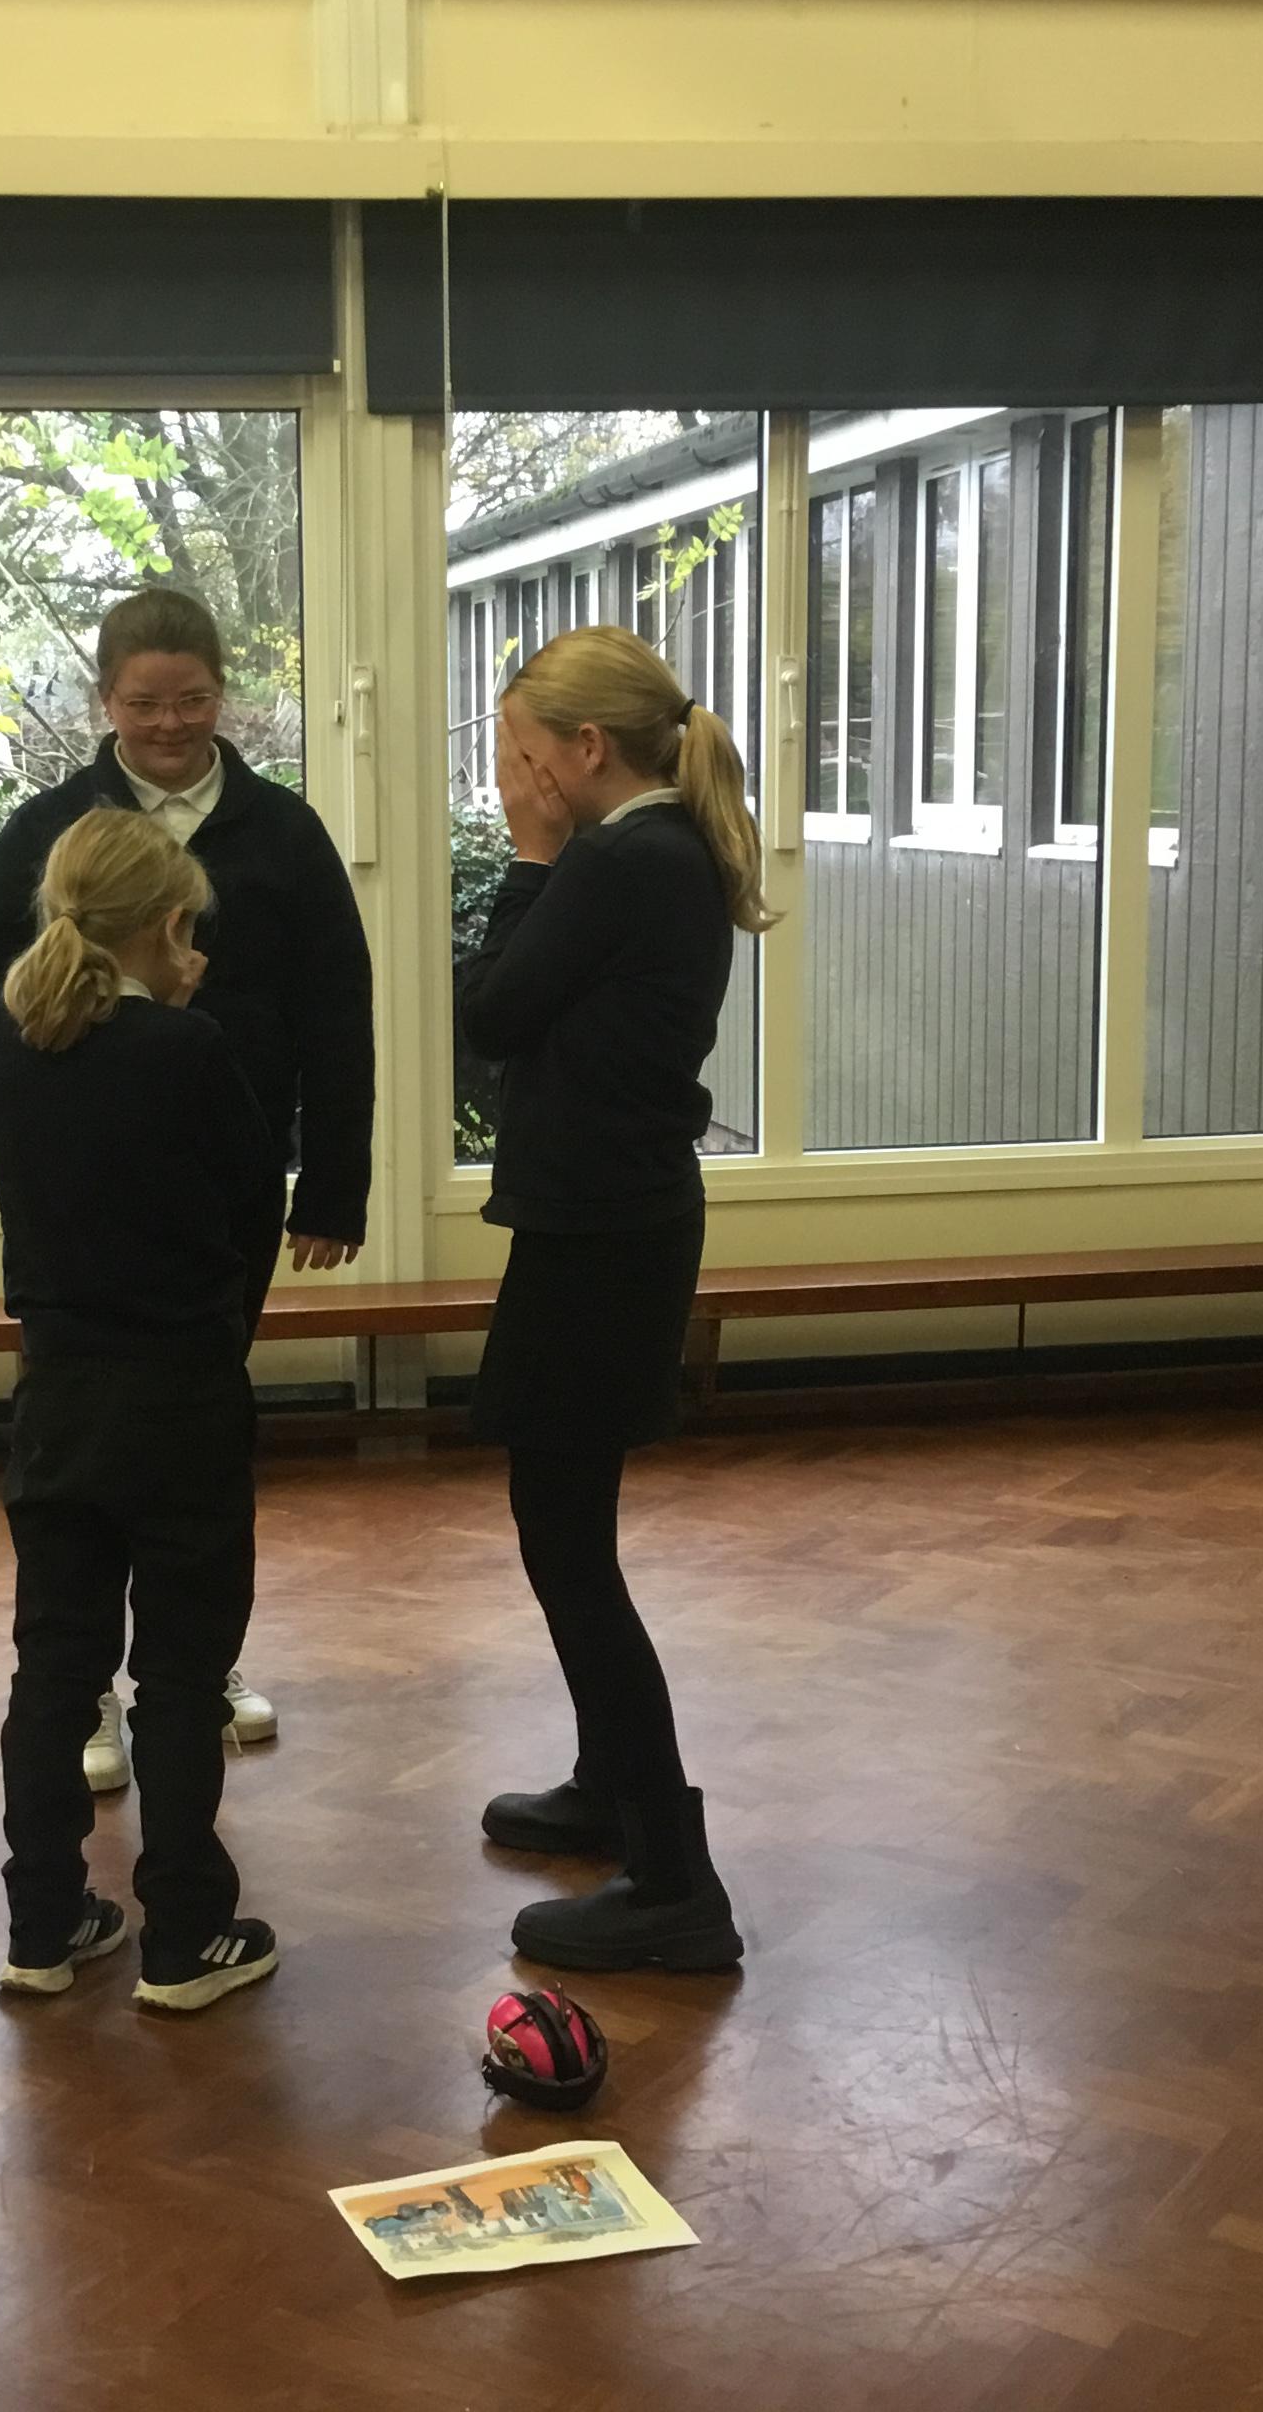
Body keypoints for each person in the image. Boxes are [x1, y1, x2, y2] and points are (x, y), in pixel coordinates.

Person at [0, 588, 374, 1792]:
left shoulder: (285, 832)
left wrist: (335, 1184)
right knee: (79, 1438)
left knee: (197, 1426)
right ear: (105, 702)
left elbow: (340, 1010)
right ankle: (82, 1684)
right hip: (74, 1204)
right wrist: (11, 1095)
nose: (171, 723)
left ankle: (193, 1660)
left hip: (222, 1190)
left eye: (194, 700)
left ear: (223, 695)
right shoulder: (50, 828)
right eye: (144, 703)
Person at [456, 625, 769, 1976]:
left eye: (519, 755)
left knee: (567, 1543)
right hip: (615, 1222)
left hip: (602, 1235)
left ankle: (674, 1882)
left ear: (585, 751)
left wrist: (531, 859)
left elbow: (489, 1014)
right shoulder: (660, 850)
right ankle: (607, 1788)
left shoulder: (616, 860)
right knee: (567, 1528)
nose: (512, 782)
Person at [0, 807, 285, 2013]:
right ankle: (185, 1937)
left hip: (56, 1396)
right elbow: (251, 1211)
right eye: (187, 928)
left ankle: (43, 1925)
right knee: (181, 1673)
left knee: (54, 1668)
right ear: (164, 924)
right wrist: (220, 1334)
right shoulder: (188, 1051)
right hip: (181, 1398)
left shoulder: (7, 1042)